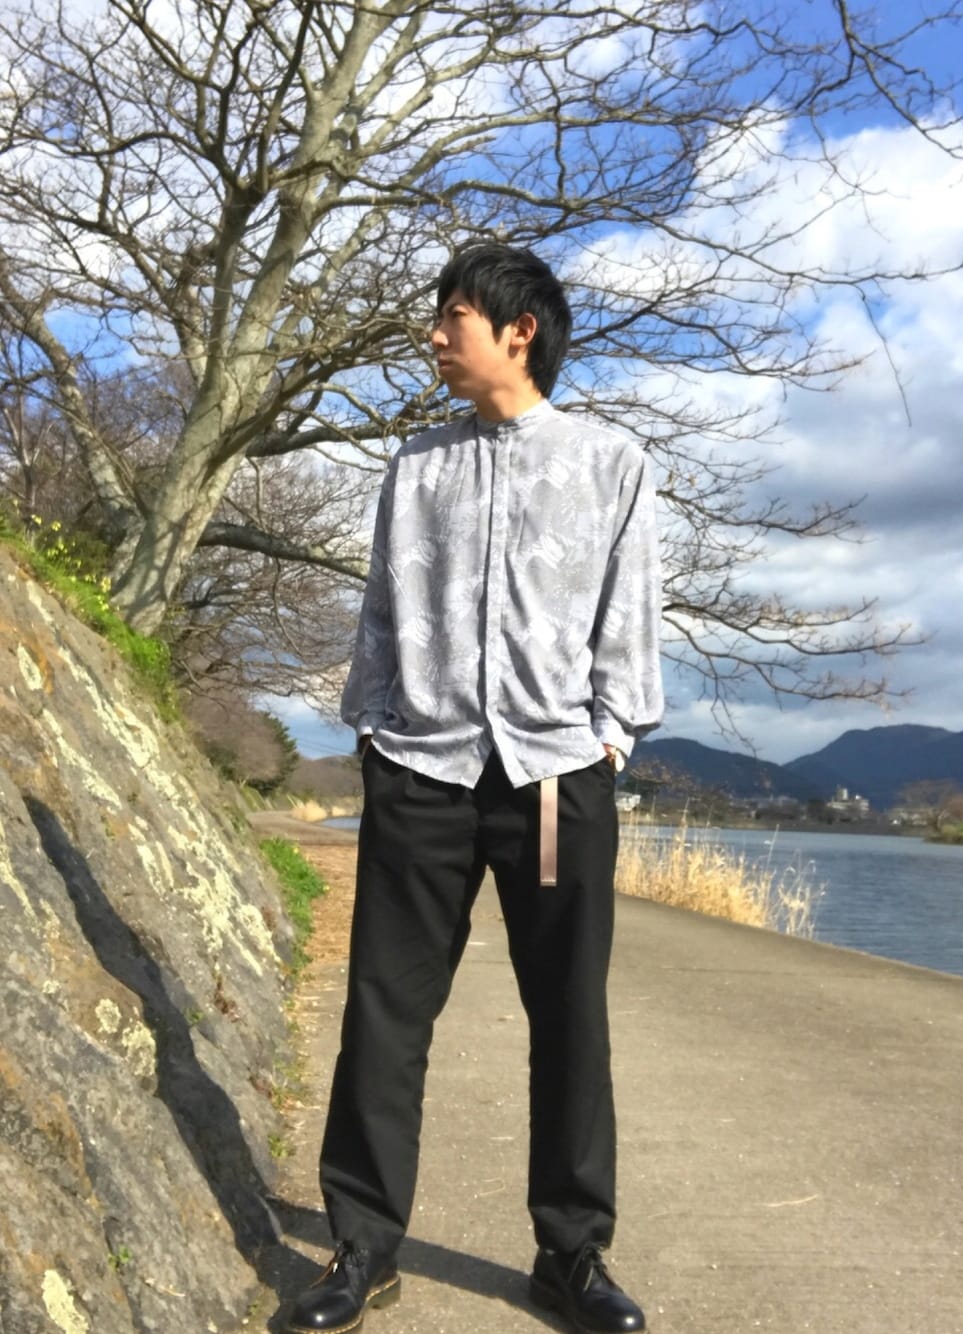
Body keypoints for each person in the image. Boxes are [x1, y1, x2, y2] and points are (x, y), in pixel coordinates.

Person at [286, 243, 664, 1334]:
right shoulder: (417, 465)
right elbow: (380, 608)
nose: (435, 335)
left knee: (569, 1014)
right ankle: (362, 1246)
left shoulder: (611, 462)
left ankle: (571, 1253)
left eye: (453, 315)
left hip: (553, 781)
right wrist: (373, 728)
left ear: (519, 330)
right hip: (422, 770)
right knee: (385, 1007)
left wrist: (607, 741)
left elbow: (630, 615)